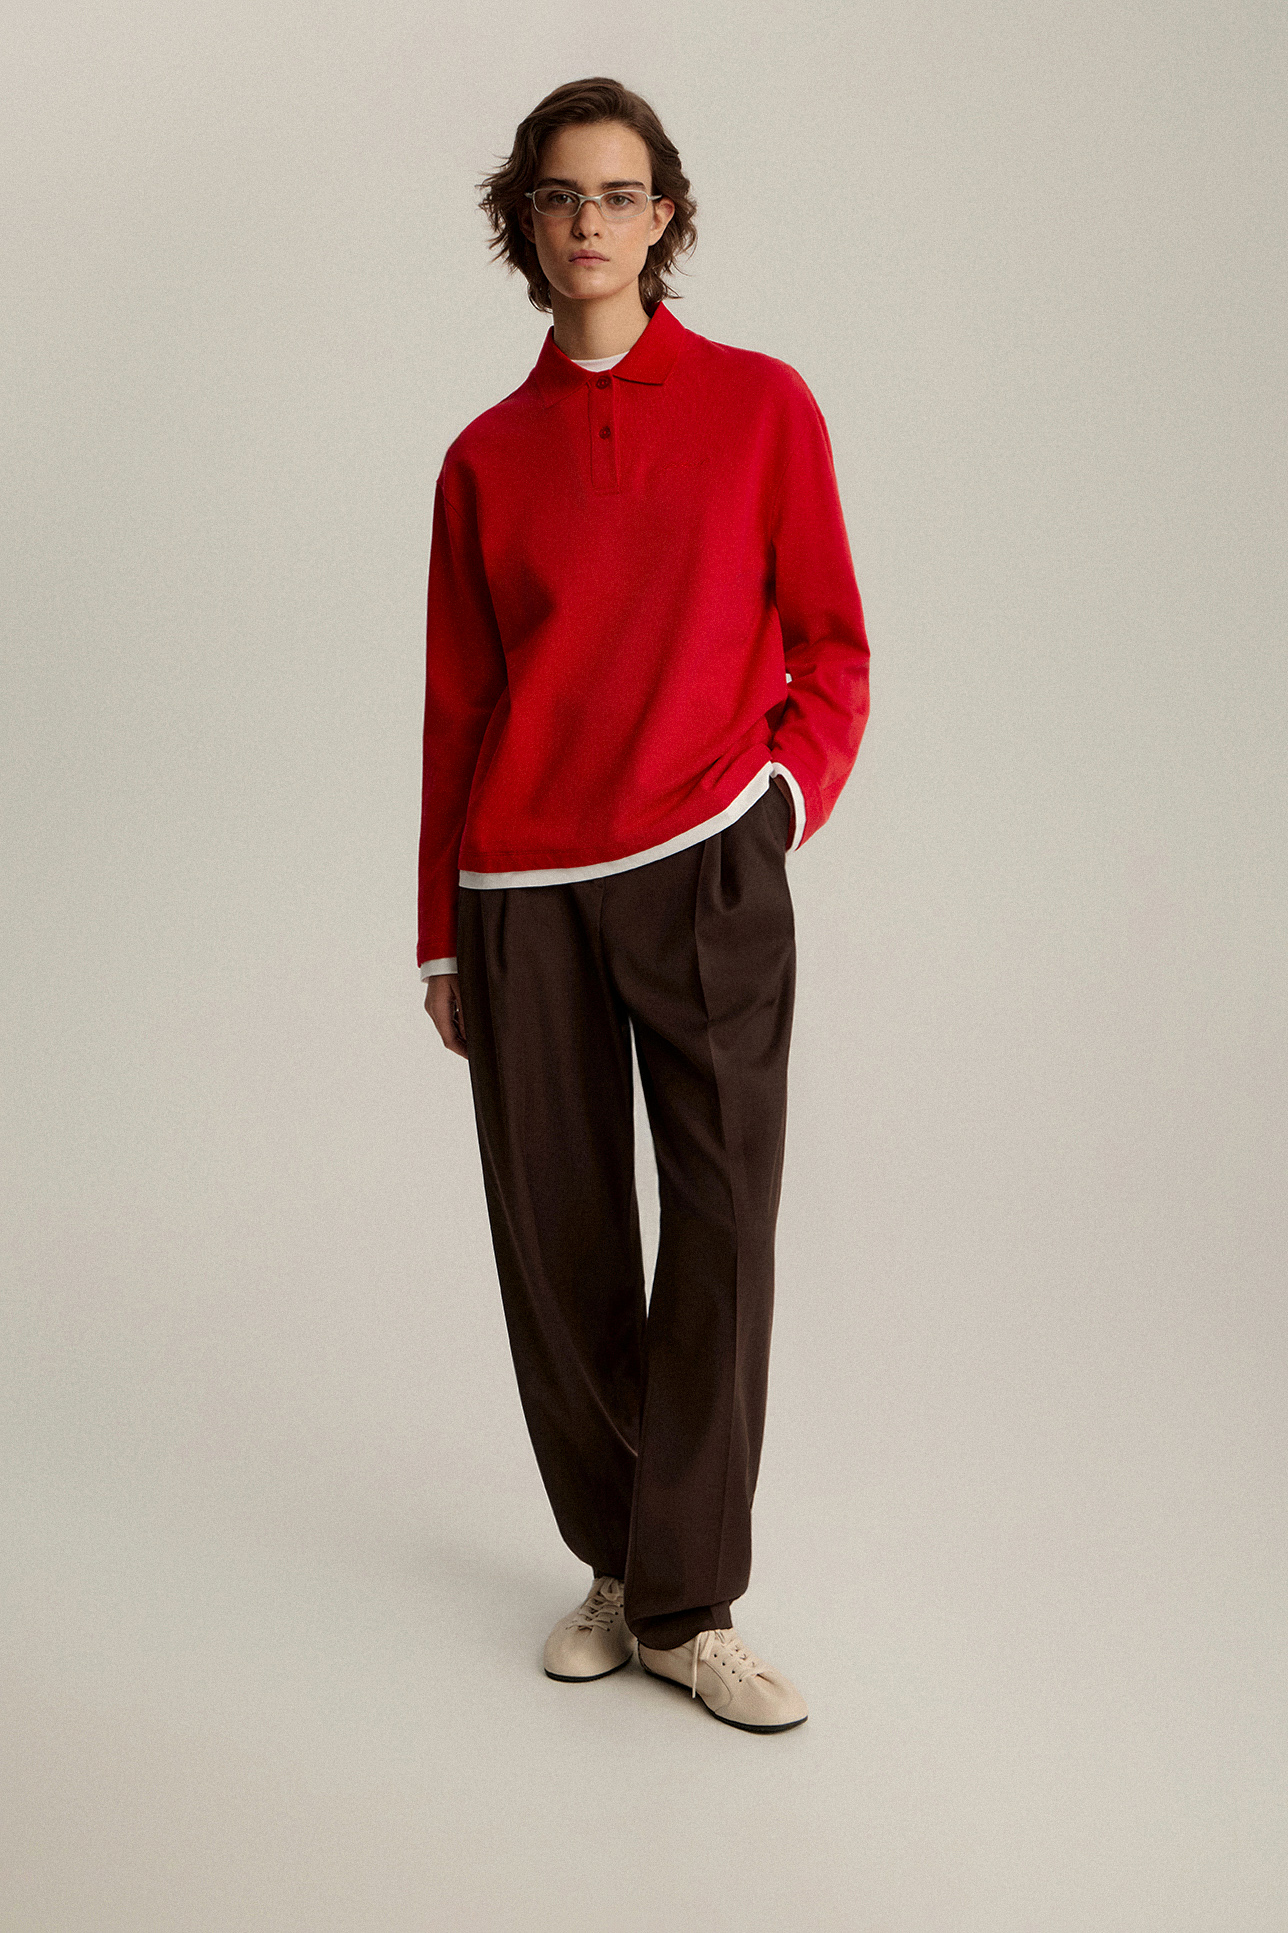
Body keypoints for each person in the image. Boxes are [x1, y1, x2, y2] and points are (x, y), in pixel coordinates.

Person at [418, 77, 870, 1734]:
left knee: (724, 1226)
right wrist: (441, 931)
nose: (588, 223)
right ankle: (619, 1561)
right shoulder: (484, 458)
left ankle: (691, 1602)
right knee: (561, 1246)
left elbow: (834, 645)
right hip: (523, 891)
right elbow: (458, 709)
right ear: (525, 223)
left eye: (618, 195)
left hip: (703, 870)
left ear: (664, 216)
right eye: (559, 196)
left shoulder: (761, 407)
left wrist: (777, 805)